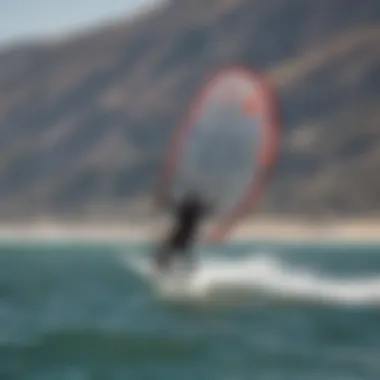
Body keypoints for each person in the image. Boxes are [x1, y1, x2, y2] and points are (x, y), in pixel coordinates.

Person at [153, 190, 212, 272]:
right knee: (178, 248)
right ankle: (165, 265)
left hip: (183, 235)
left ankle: (163, 265)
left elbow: (175, 209)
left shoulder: (189, 212)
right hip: (184, 235)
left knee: (173, 248)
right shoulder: (192, 213)